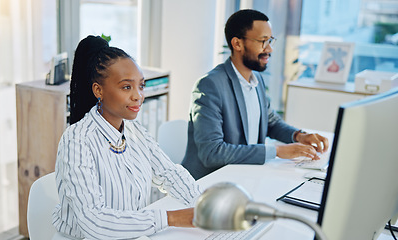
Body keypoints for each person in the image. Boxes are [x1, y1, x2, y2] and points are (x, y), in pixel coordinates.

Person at [52, 35, 201, 240]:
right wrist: (171, 218)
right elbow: (94, 221)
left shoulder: (134, 130)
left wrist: (203, 204)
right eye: (126, 87)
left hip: (131, 234)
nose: (138, 96)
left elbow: (169, 173)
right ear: (98, 90)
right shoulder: (76, 141)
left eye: (141, 86)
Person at [181, 9, 330, 180]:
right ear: (237, 44)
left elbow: (270, 122)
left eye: (270, 40)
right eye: (263, 41)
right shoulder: (209, 86)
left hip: (244, 175)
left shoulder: (255, 78)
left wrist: (299, 136)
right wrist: (278, 151)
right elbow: (212, 152)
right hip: (209, 184)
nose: (270, 49)